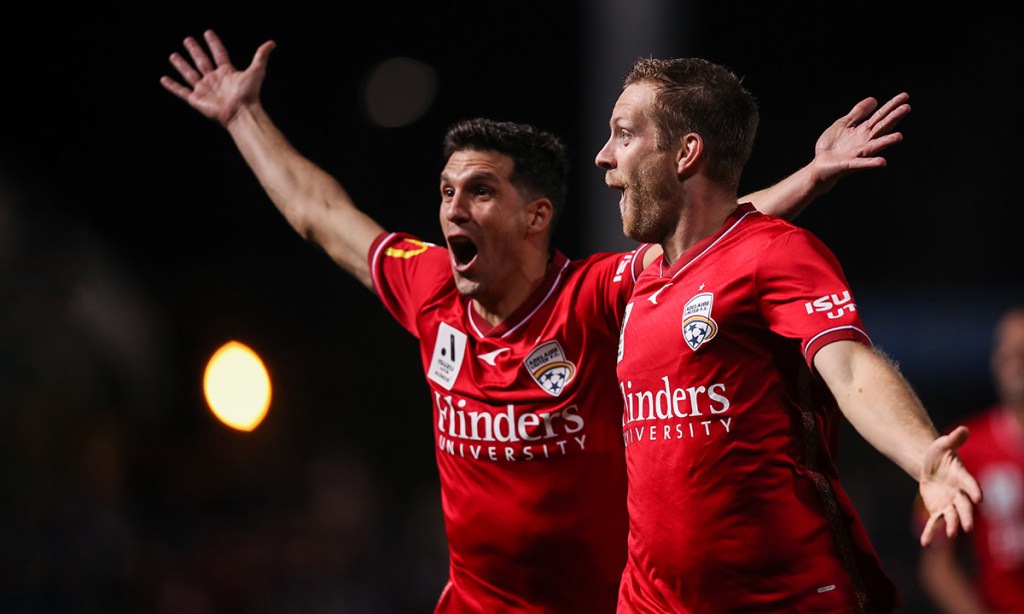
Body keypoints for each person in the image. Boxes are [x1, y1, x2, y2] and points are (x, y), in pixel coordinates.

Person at [161, 29, 912, 613]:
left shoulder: (597, 297)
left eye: (480, 192)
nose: (453, 208)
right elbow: (320, 215)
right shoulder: (429, 289)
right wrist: (242, 116)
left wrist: (810, 179)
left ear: (535, 216)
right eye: (447, 191)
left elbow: (711, 245)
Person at [597, 57, 983, 612]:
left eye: (625, 135)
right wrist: (810, 174)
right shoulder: (635, 278)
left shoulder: (776, 253)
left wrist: (922, 452)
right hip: (650, 601)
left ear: (685, 153)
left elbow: (849, 367)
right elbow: (713, 234)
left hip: (788, 597)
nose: (605, 156)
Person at [915, 307, 1024, 614]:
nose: (1014, 359)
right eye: (1007, 350)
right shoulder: (962, 447)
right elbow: (937, 566)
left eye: (1023, 349)